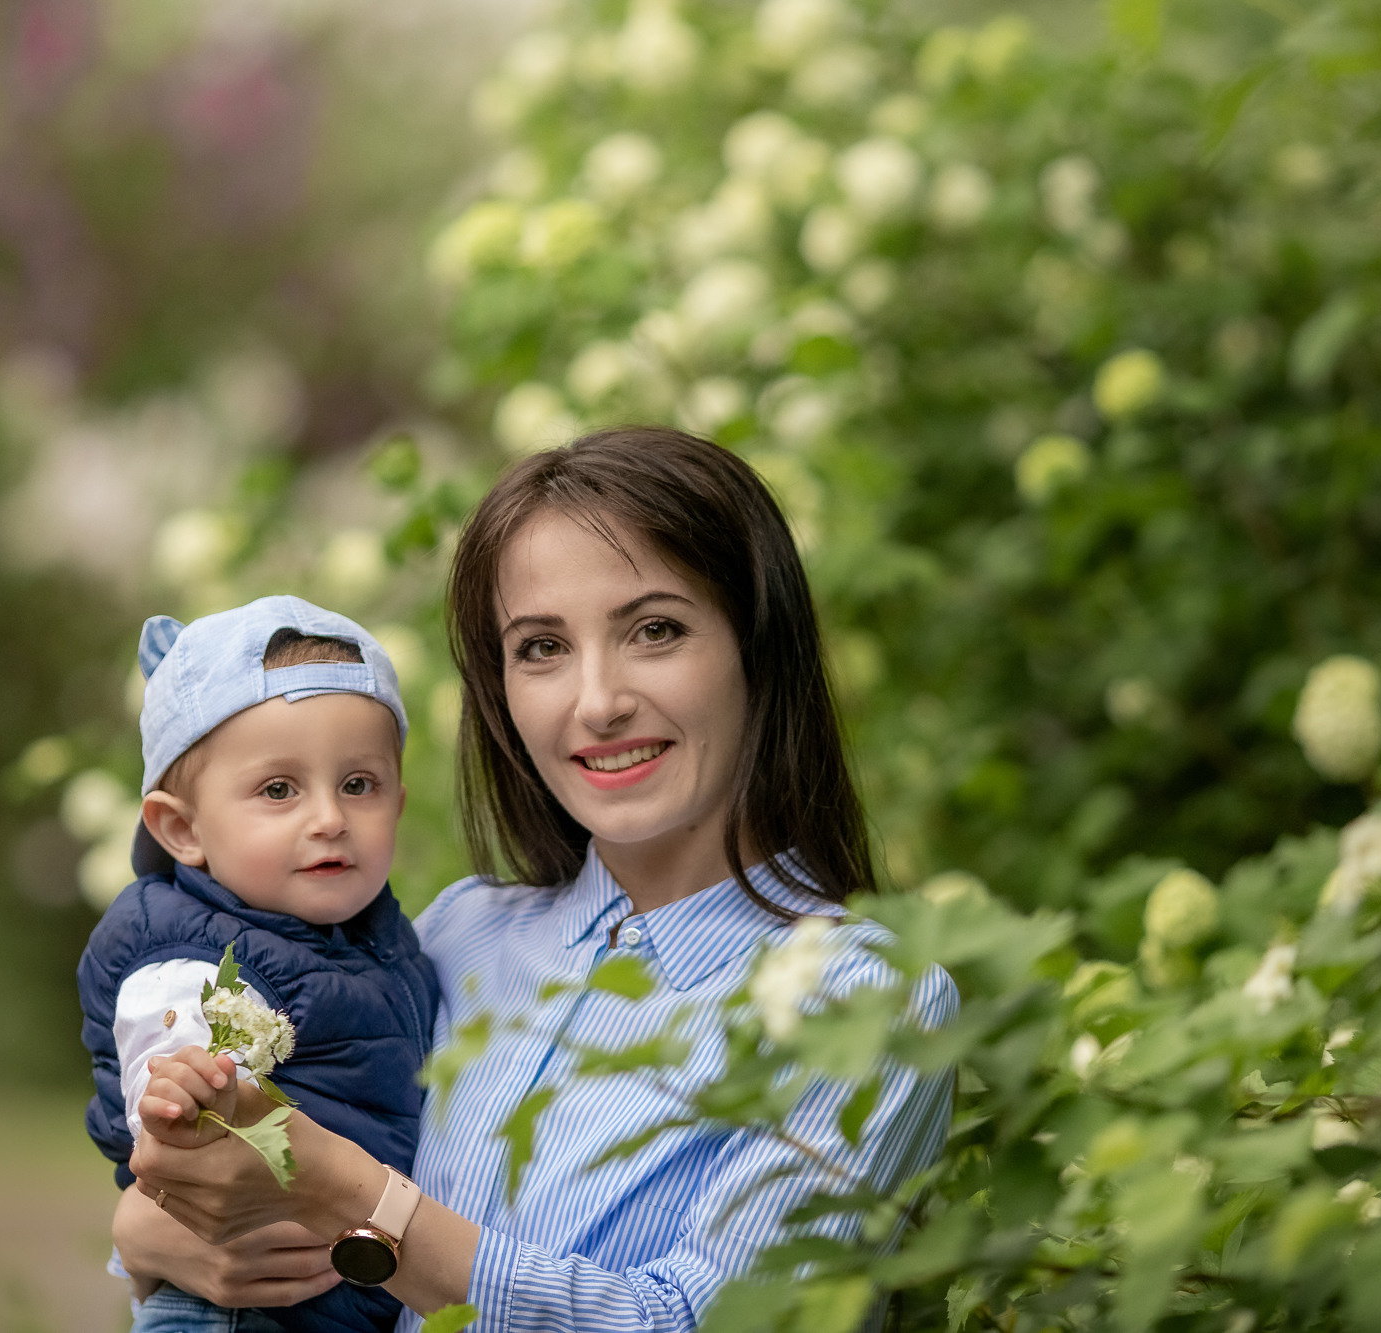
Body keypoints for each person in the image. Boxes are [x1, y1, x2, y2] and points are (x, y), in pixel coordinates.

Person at [117, 428, 958, 1332]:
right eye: (541, 647)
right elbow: (217, 1208)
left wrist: (353, 1196)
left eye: (656, 629)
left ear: (759, 647)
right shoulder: (454, 936)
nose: (597, 702)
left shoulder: (873, 997)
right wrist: (146, 1234)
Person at [79, 595, 440, 1333]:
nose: (330, 817)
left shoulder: (376, 938)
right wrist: (187, 1103)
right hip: (237, 1309)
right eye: (279, 789)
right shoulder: (191, 961)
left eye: (358, 784)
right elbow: (172, 1119)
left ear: (397, 804)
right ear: (182, 829)